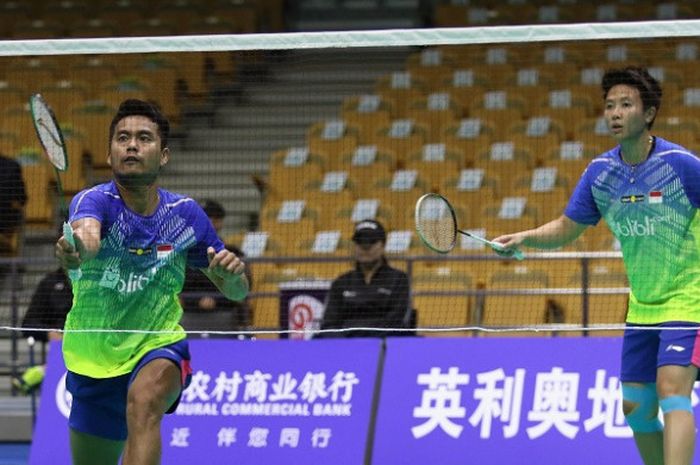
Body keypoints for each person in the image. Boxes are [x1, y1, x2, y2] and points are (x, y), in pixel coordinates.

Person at [492, 66, 698, 465]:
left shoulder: (681, 165)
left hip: (690, 299)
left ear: (649, 113)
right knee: (636, 411)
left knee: (673, 391)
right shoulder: (601, 173)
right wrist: (525, 238)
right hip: (643, 306)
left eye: (626, 104)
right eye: (609, 106)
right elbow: (569, 227)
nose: (615, 113)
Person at [55, 99, 248, 465]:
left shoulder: (184, 215)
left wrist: (232, 279)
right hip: (93, 359)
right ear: (110, 153)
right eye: (122, 138)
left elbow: (238, 292)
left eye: (144, 138)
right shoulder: (94, 200)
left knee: (144, 404)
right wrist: (78, 248)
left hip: (158, 345)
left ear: (163, 155)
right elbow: (88, 236)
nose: (131, 145)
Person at [318, 219, 411, 338]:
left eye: (371, 241)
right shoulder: (341, 282)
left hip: (384, 345)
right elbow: (329, 323)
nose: (365, 247)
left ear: (383, 245)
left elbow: (396, 323)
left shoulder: (399, 280)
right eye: (360, 242)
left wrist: (359, 334)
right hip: (345, 347)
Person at [180, 198, 252, 336]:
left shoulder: (233, 253)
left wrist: (216, 301)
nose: (207, 223)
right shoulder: (185, 254)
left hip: (225, 313)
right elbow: (182, 288)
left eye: (212, 219)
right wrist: (197, 301)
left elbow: (242, 292)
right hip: (191, 315)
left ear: (220, 222)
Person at [13, 266, 72, 393]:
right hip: (61, 348)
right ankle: (43, 370)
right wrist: (49, 333)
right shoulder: (49, 283)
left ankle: (41, 371)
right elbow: (28, 324)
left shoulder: (96, 282)